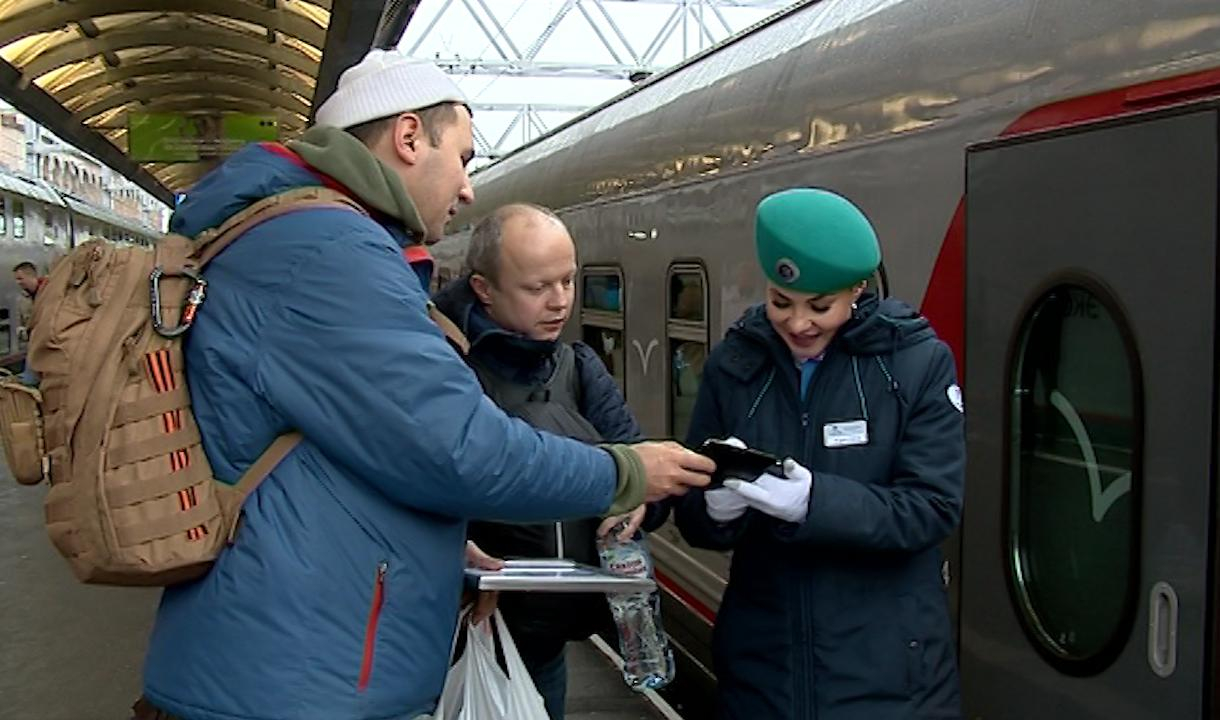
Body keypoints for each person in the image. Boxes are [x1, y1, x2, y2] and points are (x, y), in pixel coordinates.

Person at [133, 49, 714, 720]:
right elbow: (460, 450)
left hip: (287, 656)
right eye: (464, 158)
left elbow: (344, 451)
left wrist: (432, 550)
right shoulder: (330, 253)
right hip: (298, 678)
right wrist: (626, 472)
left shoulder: (301, 240)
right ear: (410, 137)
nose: (468, 188)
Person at [675, 188, 965, 719]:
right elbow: (693, 511)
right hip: (764, 676)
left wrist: (816, 503)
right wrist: (713, 509)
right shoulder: (736, 368)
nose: (798, 323)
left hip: (888, 681)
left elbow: (933, 506)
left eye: (820, 306)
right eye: (780, 302)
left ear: (856, 290)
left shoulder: (915, 365)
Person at [434, 203, 652, 719]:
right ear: (484, 289)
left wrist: (636, 504)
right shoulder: (444, 367)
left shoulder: (579, 368)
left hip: (546, 644)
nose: (560, 303)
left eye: (569, 282)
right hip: (455, 636)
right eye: (538, 288)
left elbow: (640, 470)